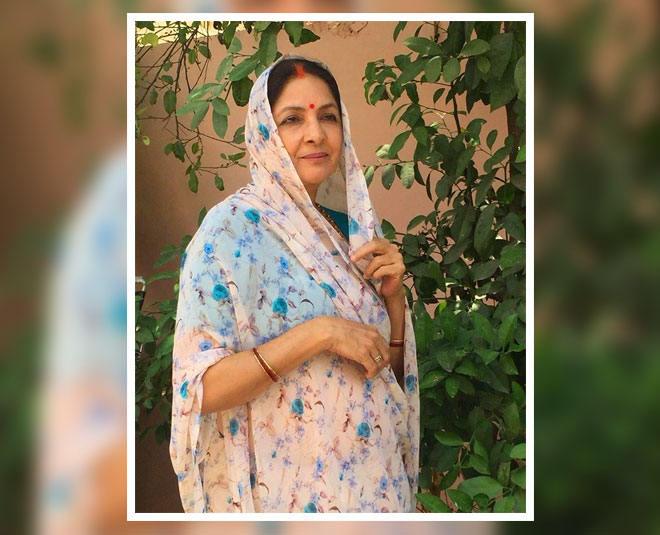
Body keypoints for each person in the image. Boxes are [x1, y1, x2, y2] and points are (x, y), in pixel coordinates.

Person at [170, 55, 420, 513]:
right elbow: (199, 389)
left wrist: (395, 305)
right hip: (292, 499)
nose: (315, 134)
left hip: (377, 494)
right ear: (263, 132)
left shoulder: (353, 232)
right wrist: (319, 333)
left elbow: (384, 376)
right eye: (292, 119)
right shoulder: (228, 234)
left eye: (328, 116)